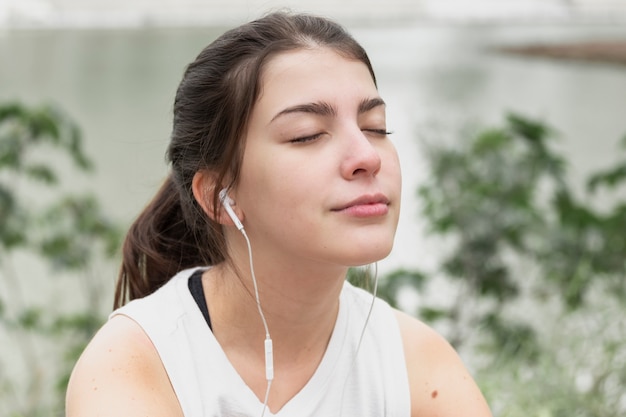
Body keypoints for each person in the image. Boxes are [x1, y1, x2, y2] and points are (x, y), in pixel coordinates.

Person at [65, 10, 492, 417]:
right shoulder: (135, 362)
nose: (366, 156)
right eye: (306, 136)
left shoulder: (415, 364)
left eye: (376, 127)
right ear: (218, 195)